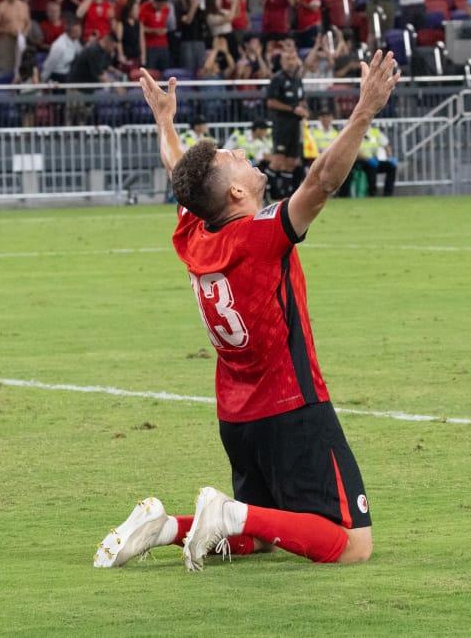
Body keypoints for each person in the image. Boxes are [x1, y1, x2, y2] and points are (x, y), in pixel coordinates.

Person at [94, 52, 399, 571]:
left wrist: (165, 121)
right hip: (293, 407)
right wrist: (364, 110)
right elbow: (322, 181)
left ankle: (164, 527)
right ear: (236, 191)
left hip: (237, 417)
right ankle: (226, 512)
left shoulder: (195, 232)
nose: (240, 151)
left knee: (261, 533)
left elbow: (180, 173)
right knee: (352, 544)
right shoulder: (260, 235)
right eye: (232, 157)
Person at [265, 47, 309, 199]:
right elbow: (270, 102)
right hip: (282, 125)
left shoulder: (297, 79)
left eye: (293, 58)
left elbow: (301, 100)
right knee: (278, 161)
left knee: (291, 163)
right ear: (282, 62)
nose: (291, 62)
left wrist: (304, 110)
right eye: (288, 59)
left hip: (295, 125)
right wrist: (292, 109)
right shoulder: (278, 79)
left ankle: (285, 197)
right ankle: (263, 192)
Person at [356, 123, 397, 196]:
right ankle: (372, 193)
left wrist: (390, 157)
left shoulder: (375, 132)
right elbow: (356, 151)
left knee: (391, 167)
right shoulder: (356, 133)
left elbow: (386, 145)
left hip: (374, 160)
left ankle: (388, 194)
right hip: (360, 160)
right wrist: (368, 159)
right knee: (371, 168)